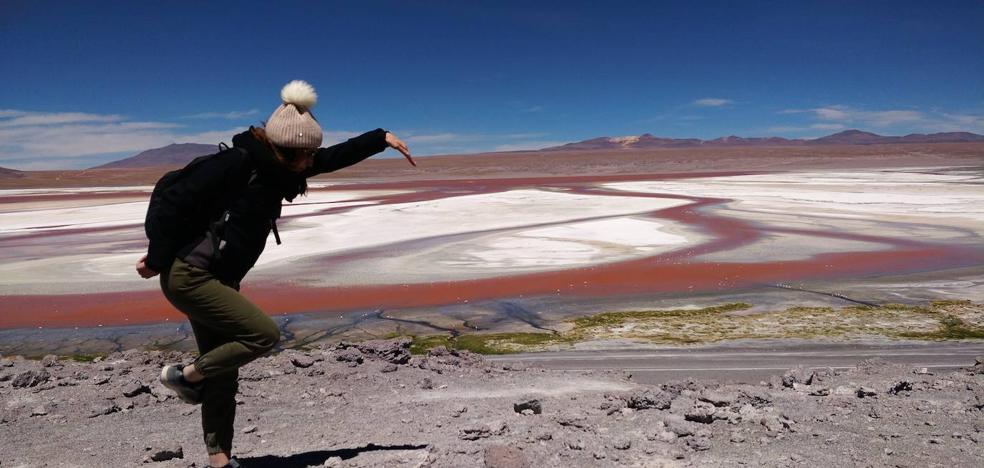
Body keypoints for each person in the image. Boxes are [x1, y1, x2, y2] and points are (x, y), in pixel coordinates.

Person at [135, 80, 413, 468]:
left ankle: (220, 460)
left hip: (218, 278)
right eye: (305, 156)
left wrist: (380, 138)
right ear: (284, 149)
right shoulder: (237, 164)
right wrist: (156, 257)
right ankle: (185, 376)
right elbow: (170, 199)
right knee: (262, 334)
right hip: (191, 275)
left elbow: (334, 156)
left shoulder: (282, 167)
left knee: (225, 371)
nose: (310, 163)